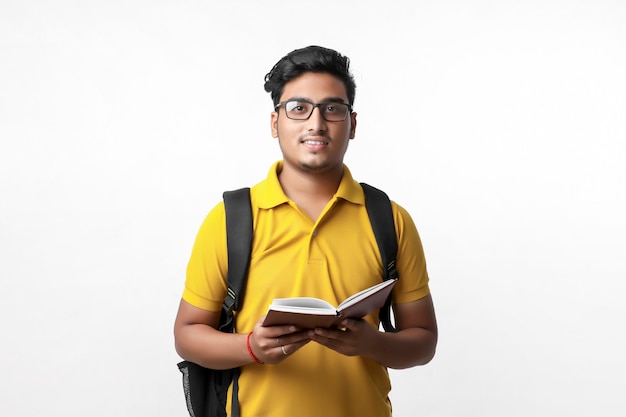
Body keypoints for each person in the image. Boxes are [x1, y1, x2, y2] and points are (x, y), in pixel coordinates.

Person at [174, 45, 438, 417]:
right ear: (275, 122)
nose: (316, 123)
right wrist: (251, 347)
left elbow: (423, 342)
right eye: (299, 108)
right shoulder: (231, 219)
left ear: (353, 123)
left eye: (333, 108)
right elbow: (187, 335)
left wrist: (371, 343)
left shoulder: (390, 219)